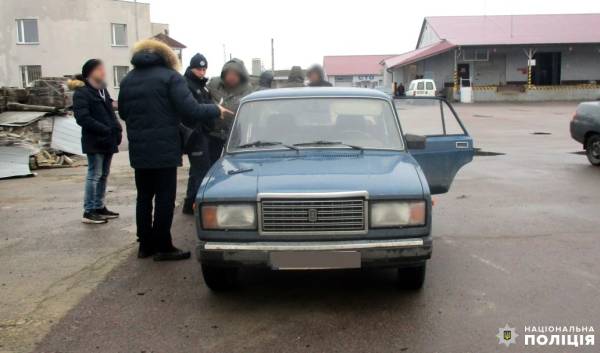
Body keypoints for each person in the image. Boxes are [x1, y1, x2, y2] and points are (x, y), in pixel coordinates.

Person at [118, 39, 230, 261]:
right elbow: (191, 109)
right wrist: (215, 110)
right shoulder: (170, 77)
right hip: (165, 147)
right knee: (164, 197)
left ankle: (145, 245)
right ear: (168, 57)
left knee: (144, 196)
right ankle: (163, 246)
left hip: (139, 149)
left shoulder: (129, 79)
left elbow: (122, 112)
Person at [70, 59, 122, 224]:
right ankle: (89, 210)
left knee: (103, 175)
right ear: (90, 72)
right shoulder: (82, 92)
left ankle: (99, 207)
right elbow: (82, 118)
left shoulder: (102, 91)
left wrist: (117, 129)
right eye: (100, 69)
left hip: (108, 140)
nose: (103, 72)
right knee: (95, 175)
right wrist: (104, 129)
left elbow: (110, 112)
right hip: (94, 140)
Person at [181, 53, 212, 215]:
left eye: (204, 69)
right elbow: (192, 110)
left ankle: (190, 203)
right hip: (195, 133)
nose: (202, 72)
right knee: (202, 172)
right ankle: (200, 206)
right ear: (192, 68)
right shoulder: (187, 85)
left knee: (196, 171)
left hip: (202, 132)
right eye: (199, 69)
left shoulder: (201, 85)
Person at [207, 58, 252, 163]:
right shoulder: (213, 85)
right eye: (229, 73)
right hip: (214, 135)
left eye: (235, 74)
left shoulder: (247, 89)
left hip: (237, 137)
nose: (231, 77)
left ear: (241, 75)